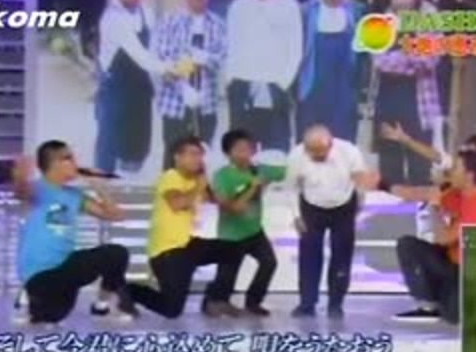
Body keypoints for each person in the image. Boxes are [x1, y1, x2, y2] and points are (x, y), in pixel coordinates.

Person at [13, 140, 138, 325]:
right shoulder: (38, 188)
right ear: (54, 164)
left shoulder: (74, 195)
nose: (75, 163)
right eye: (68, 158)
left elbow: (116, 216)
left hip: (65, 266)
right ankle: (28, 297)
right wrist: (20, 174)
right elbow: (21, 192)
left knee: (116, 254)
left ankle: (100, 306)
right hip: (40, 273)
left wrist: (99, 187)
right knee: (49, 315)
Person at [127, 136, 241, 319]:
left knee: (234, 250)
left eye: (200, 155)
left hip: (188, 246)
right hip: (168, 251)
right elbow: (177, 203)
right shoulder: (170, 176)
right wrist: (198, 186)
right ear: (177, 157)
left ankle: (215, 300)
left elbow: (217, 202)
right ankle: (128, 290)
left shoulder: (195, 181)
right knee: (171, 310)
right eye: (192, 154)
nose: (198, 159)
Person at [387, 151, 476, 324]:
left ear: (469, 175)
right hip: (451, 262)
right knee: (408, 245)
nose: (450, 172)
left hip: (470, 271)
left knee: (453, 316)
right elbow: (420, 193)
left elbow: (443, 238)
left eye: (455, 168)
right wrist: (382, 185)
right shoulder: (457, 193)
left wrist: (435, 209)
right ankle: (429, 305)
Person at [94, 0, 193, 175]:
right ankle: (104, 177)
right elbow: (140, 55)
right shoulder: (112, 18)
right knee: (109, 137)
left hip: (140, 84)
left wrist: (171, 65)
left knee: (137, 139)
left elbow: (155, 47)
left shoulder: (146, 13)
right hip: (115, 85)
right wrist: (168, 68)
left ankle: (130, 173)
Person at [285, 125, 378, 318]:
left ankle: (336, 303)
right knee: (309, 257)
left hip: (343, 206)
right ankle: (307, 303)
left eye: (321, 151)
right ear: (305, 147)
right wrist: (296, 216)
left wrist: (359, 206)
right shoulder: (296, 155)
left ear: (331, 144)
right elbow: (291, 187)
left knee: (342, 256)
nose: (317, 156)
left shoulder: (349, 151)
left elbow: (361, 181)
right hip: (311, 207)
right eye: (312, 152)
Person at [205, 129, 287, 316]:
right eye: (239, 150)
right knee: (227, 275)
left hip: (255, 231)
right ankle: (213, 300)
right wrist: (252, 186)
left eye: (248, 149)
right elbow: (231, 206)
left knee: (269, 263)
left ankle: (253, 302)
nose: (245, 154)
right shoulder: (223, 176)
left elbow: (284, 172)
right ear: (228, 153)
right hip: (231, 234)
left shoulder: (259, 170)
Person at [372, 0, 444, 186]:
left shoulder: (430, 17)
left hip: (419, 102)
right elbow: (379, 62)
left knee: (420, 165)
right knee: (390, 167)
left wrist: (399, 57)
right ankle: (392, 205)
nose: (401, 1)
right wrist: (412, 56)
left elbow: (430, 59)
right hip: (388, 101)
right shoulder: (381, 23)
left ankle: (419, 204)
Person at [155, 0, 227, 168]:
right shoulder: (169, 21)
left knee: (201, 157)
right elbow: (162, 60)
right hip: (176, 103)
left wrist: (206, 58)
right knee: (173, 156)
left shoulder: (217, 24)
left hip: (206, 103)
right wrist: (183, 89)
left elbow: (223, 58)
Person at [226, 0, 303, 152]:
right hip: (243, 86)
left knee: (276, 153)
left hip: (276, 87)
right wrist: (232, 81)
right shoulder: (238, 7)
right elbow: (230, 48)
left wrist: (282, 84)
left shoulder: (289, 5)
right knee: (241, 152)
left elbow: (295, 51)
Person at [381, 124, 476, 219]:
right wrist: (405, 140)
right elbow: (438, 157)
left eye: (469, 153)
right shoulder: (467, 172)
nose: (463, 156)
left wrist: (445, 181)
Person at [296, 0, 365, 142]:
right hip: (312, 91)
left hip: (345, 92)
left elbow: (364, 56)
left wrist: (358, 93)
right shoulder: (305, 12)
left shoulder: (357, 11)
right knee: (310, 146)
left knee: (344, 147)